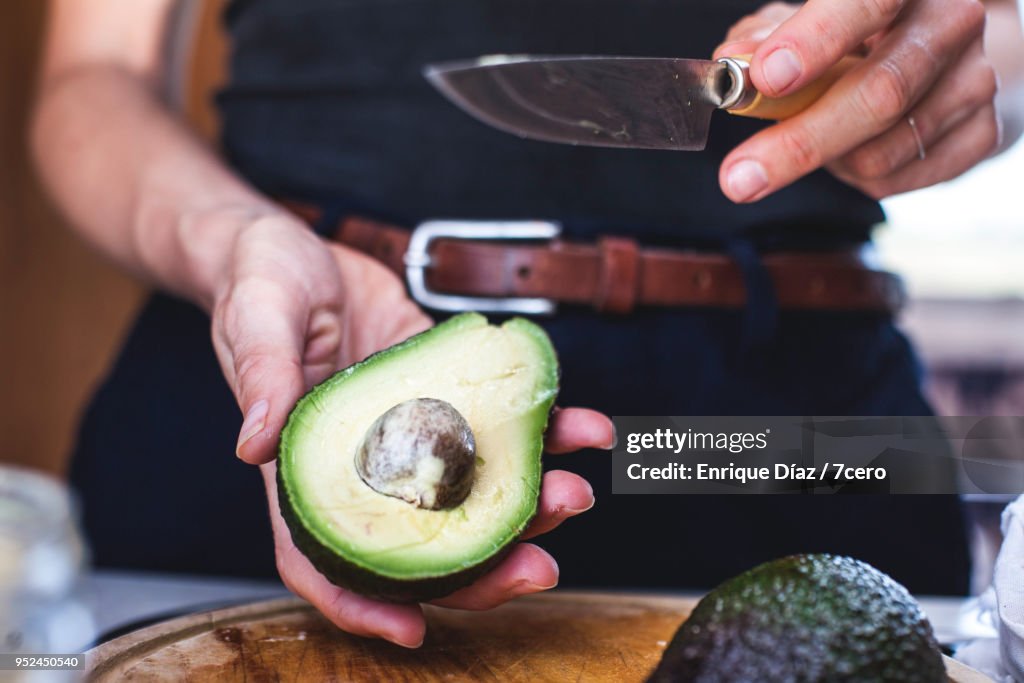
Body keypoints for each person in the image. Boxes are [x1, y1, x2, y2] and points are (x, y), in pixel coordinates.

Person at [32, 0, 1023, 648]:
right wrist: (231, 239)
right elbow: (90, 82)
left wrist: (980, 60)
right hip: (304, 337)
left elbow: (995, 40)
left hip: (783, 416)